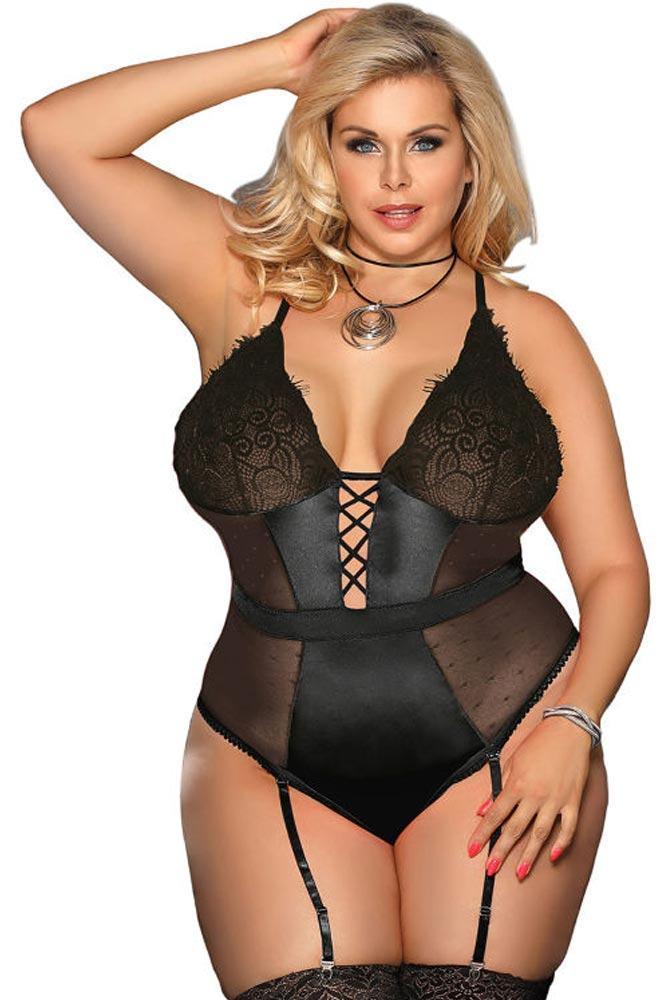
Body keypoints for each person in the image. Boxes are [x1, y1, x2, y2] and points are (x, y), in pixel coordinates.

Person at [21, 4, 650, 998]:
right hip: (261, 742)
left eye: (425, 142)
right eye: (362, 142)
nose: (395, 177)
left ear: (471, 155)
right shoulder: (236, 281)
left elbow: (612, 569)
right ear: (321, 150)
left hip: (507, 731)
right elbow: (58, 132)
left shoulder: (532, 329)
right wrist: (274, 61)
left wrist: (574, 724)